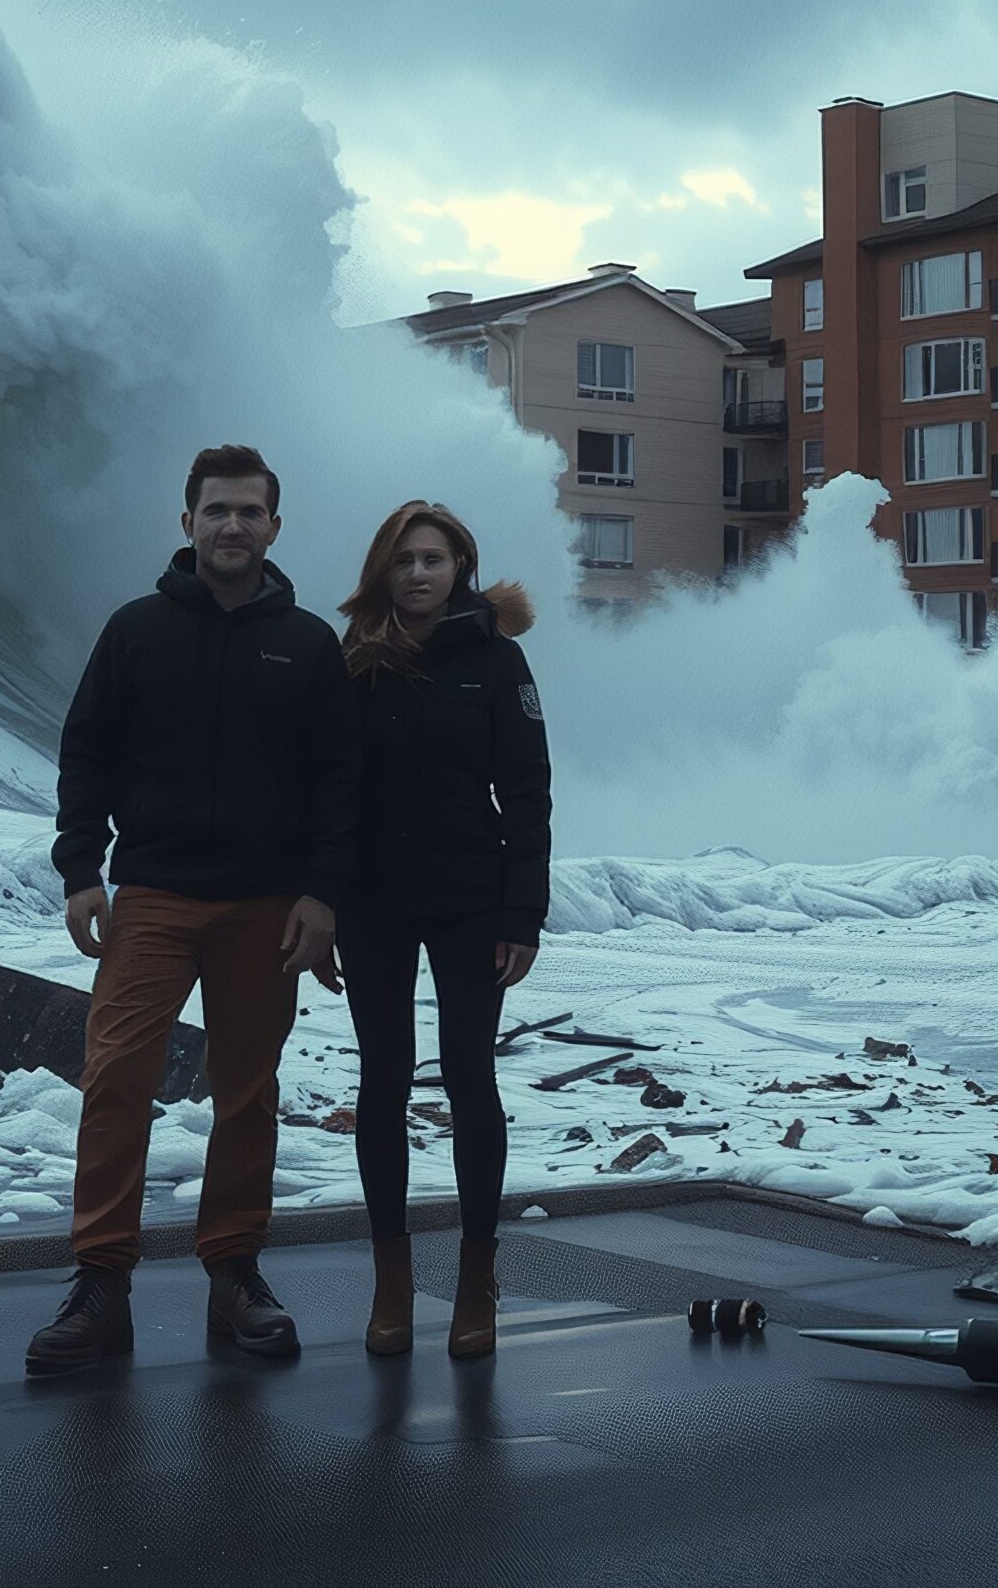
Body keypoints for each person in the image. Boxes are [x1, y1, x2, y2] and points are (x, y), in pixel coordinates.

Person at [25, 445, 360, 1378]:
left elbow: (341, 783)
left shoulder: (307, 644)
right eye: (216, 511)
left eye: (249, 512)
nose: (232, 527)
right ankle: (100, 1285)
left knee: (247, 1093)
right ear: (187, 524)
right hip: (157, 897)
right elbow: (86, 751)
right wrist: (81, 870)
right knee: (117, 1078)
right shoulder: (137, 631)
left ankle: (236, 1275)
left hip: (265, 905)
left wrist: (324, 895)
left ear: (273, 528)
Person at [335, 500, 551, 1360]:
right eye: (402, 561)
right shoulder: (350, 660)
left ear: (461, 566)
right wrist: (316, 904)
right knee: (382, 1083)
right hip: (372, 902)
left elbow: (528, 794)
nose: (418, 574)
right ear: (381, 572)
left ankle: (475, 1281)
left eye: (433, 559)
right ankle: (392, 1286)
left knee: (469, 1077)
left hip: (470, 901)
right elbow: (328, 792)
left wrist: (522, 916)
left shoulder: (499, 662)